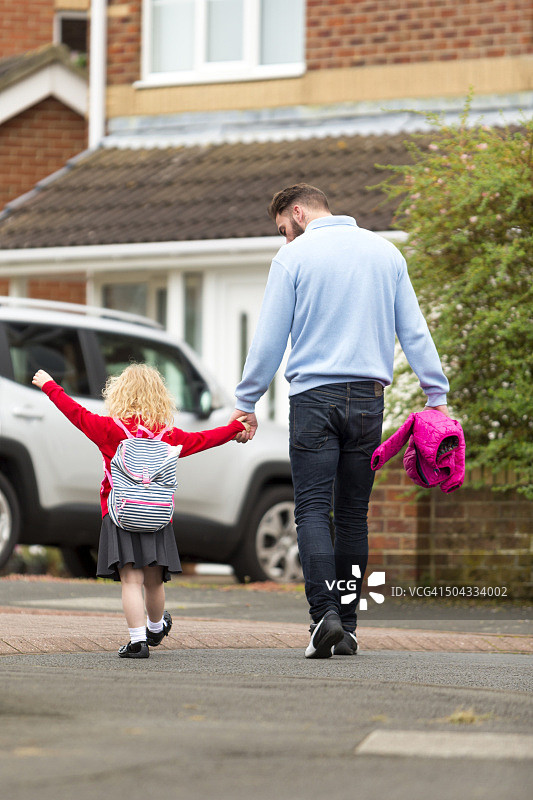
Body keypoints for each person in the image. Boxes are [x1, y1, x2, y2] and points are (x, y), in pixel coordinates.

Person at [229, 183, 449, 659]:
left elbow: (269, 339)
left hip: (313, 399)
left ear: (300, 212)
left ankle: (322, 617)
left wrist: (247, 399)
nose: (285, 238)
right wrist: (437, 394)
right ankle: (347, 626)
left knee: (311, 509)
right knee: (353, 514)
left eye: (284, 229)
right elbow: (413, 328)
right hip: (369, 400)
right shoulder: (386, 254)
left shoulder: (294, 258)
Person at [32, 363, 249, 659]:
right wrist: (236, 428)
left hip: (120, 515)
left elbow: (75, 413)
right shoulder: (170, 437)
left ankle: (137, 641)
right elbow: (204, 439)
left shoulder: (109, 430)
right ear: (160, 397)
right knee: (154, 580)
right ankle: (157, 627)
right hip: (158, 518)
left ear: (119, 394)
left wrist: (49, 385)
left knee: (131, 580)